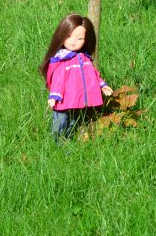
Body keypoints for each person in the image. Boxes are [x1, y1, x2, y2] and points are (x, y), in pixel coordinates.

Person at [40, 12, 112, 140]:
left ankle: (67, 140)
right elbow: (58, 79)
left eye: (79, 39)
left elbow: (92, 74)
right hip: (63, 99)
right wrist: (54, 96)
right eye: (69, 36)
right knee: (60, 122)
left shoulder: (84, 59)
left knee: (72, 122)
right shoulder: (62, 59)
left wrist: (103, 85)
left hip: (76, 98)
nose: (73, 42)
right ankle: (56, 142)